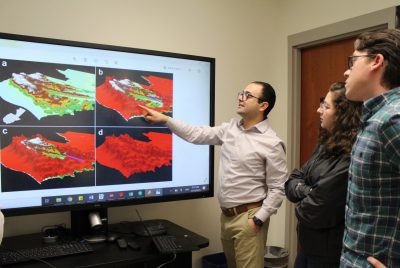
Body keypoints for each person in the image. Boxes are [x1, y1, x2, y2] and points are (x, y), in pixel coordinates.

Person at [140, 81, 288, 268]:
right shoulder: (231, 129)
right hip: (227, 216)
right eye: (241, 93)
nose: (241, 98)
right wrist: (165, 119)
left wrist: (258, 219)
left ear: (263, 105)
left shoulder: (272, 142)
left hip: (249, 217)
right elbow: (196, 134)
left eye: (248, 95)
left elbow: (278, 187)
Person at [340, 28, 400, 267]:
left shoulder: (393, 119)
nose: (347, 70)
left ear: (377, 61)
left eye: (353, 61)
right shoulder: (376, 116)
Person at [285, 82, 362, 268]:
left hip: (328, 255)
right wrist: (309, 190)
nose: (318, 110)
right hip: (307, 247)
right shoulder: (326, 142)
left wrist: (302, 192)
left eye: (326, 106)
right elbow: (293, 179)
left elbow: (315, 210)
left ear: (343, 113)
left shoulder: (352, 152)